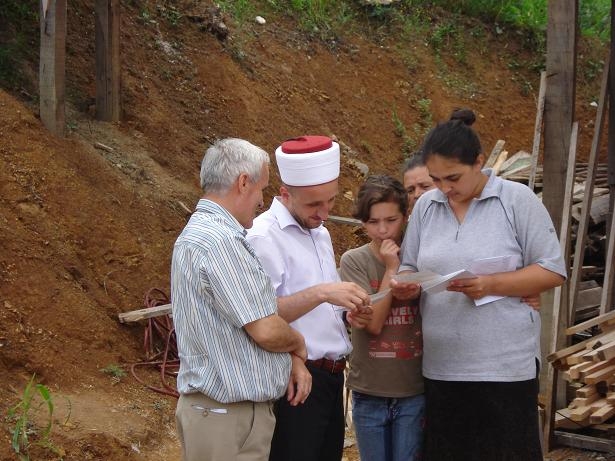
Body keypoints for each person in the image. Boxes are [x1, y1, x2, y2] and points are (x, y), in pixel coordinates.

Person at [391, 109, 567, 461]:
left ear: (480, 163)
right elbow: (409, 267)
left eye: (453, 178)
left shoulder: (517, 201)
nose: (445, 188)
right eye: (436, 179)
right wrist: (407, 286)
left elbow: (552, 271)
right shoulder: (427, 206)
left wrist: (490, 284)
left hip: (504, 366)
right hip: (443, 366)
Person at [171, 138, 312, 461]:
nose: (262, 201)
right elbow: (265, 328)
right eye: (262, 188)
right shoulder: (220, 242)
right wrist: (296, 344)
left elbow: (245, 319)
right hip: (225, 417)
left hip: (227, 415)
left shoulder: (210, 235)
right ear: (243, 182)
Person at [246, 135, 373, 461]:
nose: (325, 213)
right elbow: (260, 315)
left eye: (330, 201)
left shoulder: (320, 231)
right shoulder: (264, 236)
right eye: (314, 204)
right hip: (297, 378)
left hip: (332, 377)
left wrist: (347, 314)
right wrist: (322, 293)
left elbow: (323, 308)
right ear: (285, 194)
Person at [339, 175, 424, 461]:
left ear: (406, 216)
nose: (384, 230)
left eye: (392, 220)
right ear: (362, 222)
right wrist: (392, 269)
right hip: (370, 389)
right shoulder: (354, 261)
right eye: (373, 222)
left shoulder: (421, 257)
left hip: (413, 388)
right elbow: (373, 323)